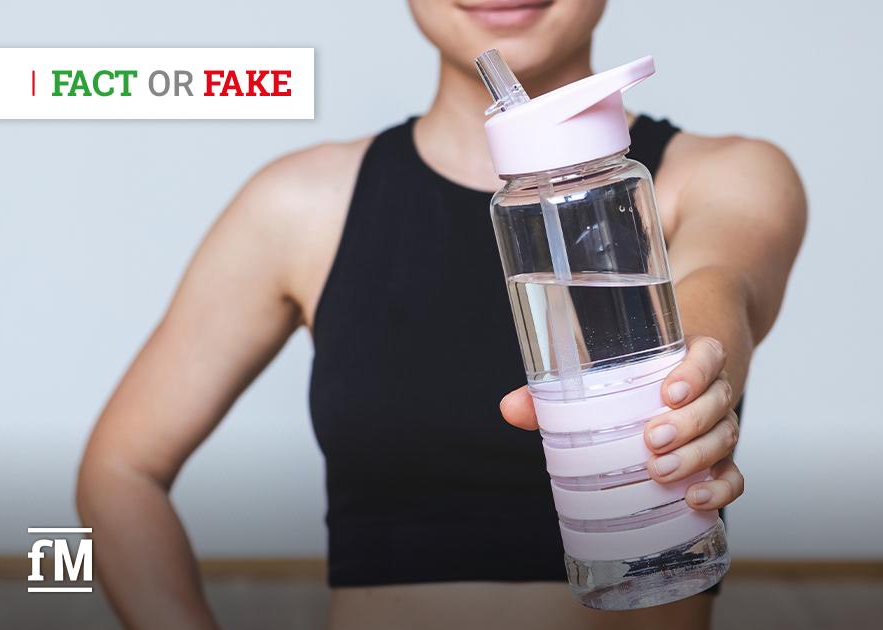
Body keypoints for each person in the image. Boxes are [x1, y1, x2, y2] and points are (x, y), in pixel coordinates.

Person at [76, 1, 806, 628]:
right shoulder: (299, 207)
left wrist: (692, 381)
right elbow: (120, 470)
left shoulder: (724, 175)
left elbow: (719, 283)